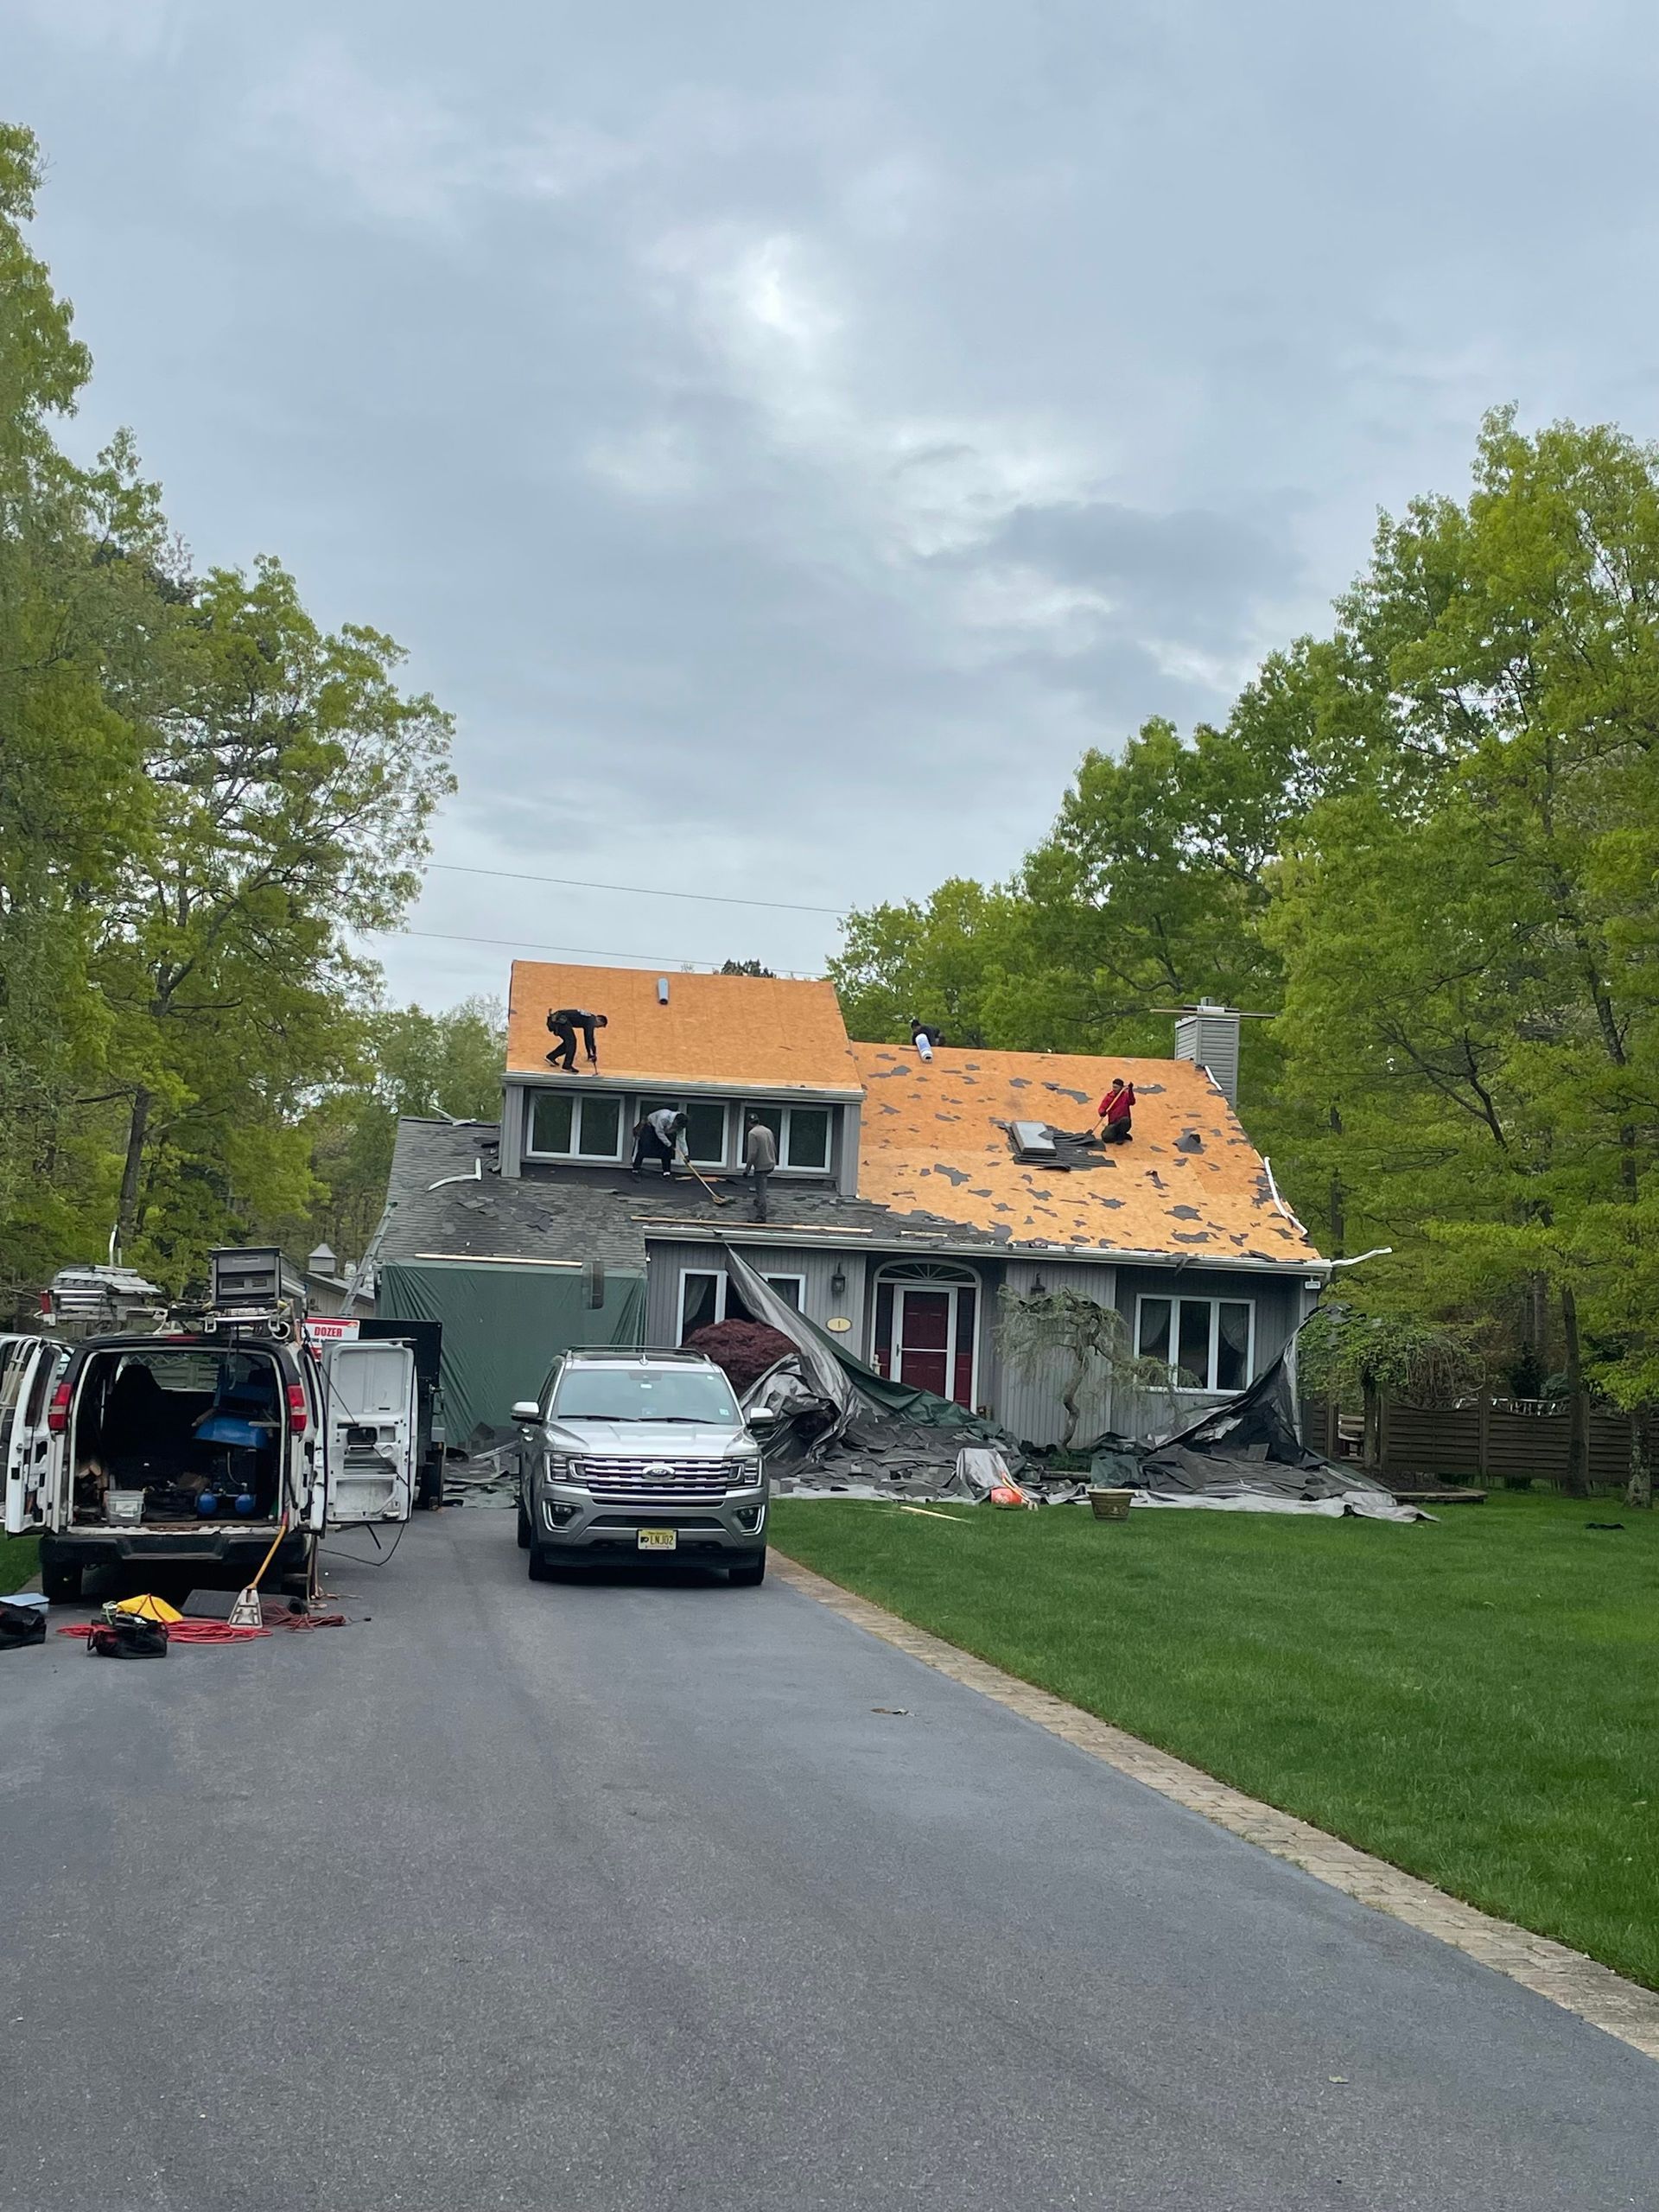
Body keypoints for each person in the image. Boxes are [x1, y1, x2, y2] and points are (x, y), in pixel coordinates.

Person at [632, 1105, 688, 1178]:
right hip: (651, 1126)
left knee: (667, 1150)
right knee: (644, 1147)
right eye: (677, 1126)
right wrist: (669, 1144)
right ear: (675, 1121)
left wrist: (686, 1155)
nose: (677, 1128)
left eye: (679, 1127)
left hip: (664, 1131)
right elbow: (659, 1132)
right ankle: (636, 1169)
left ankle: (667, 1173)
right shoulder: (664, 1117)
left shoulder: (680, 1125)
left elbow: (682, 1139)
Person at [545, 1007, 607, 1071]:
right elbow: (589, 1038)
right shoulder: (591, 1021)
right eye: (600, 1026)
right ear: (599, 1020)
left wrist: (591, 1053)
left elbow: (588, 1037)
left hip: (556, 1020)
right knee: (571, 1042)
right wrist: (592, 1054)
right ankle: (567, 1066)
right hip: (560, 1021)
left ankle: (551, 1057)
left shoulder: (589, 1018)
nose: (597, 1027)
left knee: (568, 1043)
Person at [743, 1110, 779, 1222]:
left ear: (748, 1123)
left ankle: (761, 1216)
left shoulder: (753, 1134)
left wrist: (747, 1169)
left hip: (761, 1166)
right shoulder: (767, 1130)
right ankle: (758, 1201)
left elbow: (752, 1153)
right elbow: (773, 1147)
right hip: (771, 1163)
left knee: (761, 1190)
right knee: (761, 1184)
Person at [1097, 1077, 1135, 1144]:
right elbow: (1102, 1107)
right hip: (1113, 1123)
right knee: (1106, 1137)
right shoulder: (1109, 1097)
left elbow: (1132, 1102)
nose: (1114, 1089)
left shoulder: (1126, 1096)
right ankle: (1120, 1134)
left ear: (1121, 1088)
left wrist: (1130, 1090)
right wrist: (1102, 1112)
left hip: (1124, 1122)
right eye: (1113, 1087)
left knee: (1125, 1120)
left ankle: (1121, 1136)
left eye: (1116, 1087)